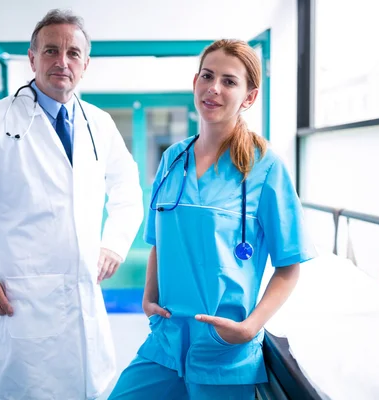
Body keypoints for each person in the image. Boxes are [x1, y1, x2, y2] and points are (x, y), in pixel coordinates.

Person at [0, 9, 144, 400]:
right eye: (51, 51)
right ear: (32, 58)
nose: (62, 62)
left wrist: (113, 243)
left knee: (89, 389)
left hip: (84, 298)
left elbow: (128, 190)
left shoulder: (99, 123)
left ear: (85, 64)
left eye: (73, 53)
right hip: (22, 300)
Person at [108, 39, 316, 399]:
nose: (214, 88)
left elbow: (289, 266)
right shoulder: (173, 159)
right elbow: (158, 239)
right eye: (207, 76)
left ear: (248, 98)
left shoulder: (265, 167)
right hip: (166, 340)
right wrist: (148, 297)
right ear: (195, 83)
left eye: (229, 81)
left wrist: (250, 328)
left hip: (223, 349)